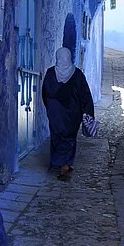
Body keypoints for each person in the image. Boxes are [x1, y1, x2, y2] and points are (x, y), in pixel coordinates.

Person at [41, 47, 95, 179]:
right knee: (70, 138)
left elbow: (45, 93)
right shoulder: (77, 74)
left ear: (58, 57)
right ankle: (65, 164)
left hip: (55, 113)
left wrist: (50, 108)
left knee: (56, 137)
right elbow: (85, 95)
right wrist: (88, 112)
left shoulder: (50, 73)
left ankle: (57, 162)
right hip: (72, 114)